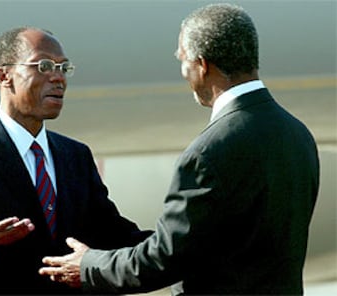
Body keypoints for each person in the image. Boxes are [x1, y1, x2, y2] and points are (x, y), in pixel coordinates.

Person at [38, 3, 320, 295]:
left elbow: (163, 260)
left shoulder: (208, 153)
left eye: (182, 60)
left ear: (202, 65)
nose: (183, 72)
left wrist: (88, 265)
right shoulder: (296, 134)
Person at [0, 27, 151, 295]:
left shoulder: (75, 155)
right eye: (44, 66)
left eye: (64, 68)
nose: (58, 78)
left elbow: (112, 234)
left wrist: (181, 242)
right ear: (4, 76)